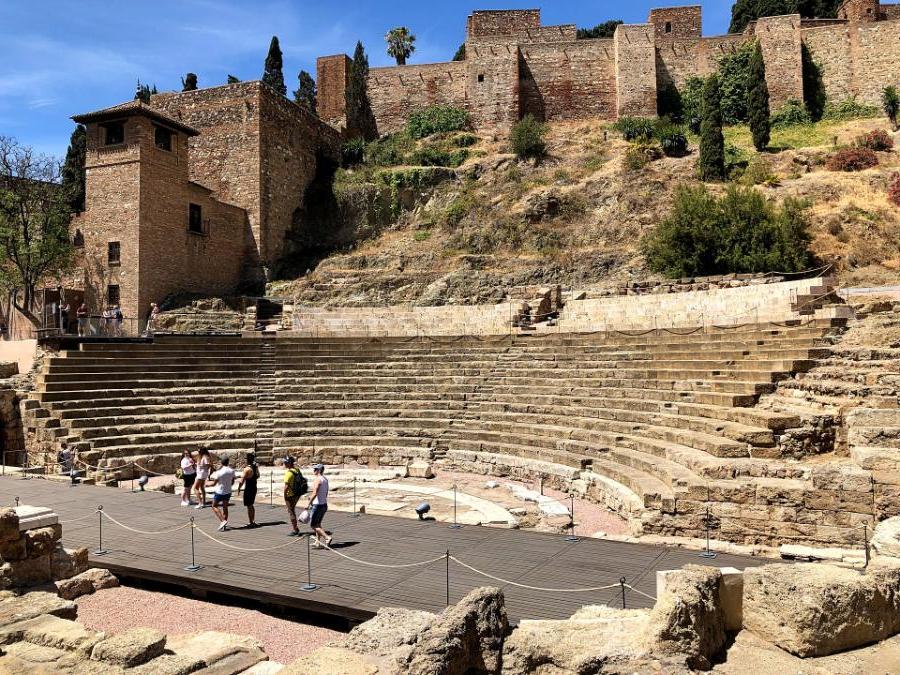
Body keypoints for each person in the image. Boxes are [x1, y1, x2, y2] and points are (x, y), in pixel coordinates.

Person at [306, 464, 332, 548]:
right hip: (324, 504)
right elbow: (325, 492)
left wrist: (309, 503)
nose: (314, 471)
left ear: (319, 470)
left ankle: (327, 537)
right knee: (318, 524)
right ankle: (317, 542)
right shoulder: (325, 479)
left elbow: (315, 492)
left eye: (315, 469)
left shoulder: (318, 479)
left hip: (318, 505)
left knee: (313, 525)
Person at [207, 457, 235, 531]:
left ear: (221, 463)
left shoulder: (219, 472)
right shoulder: (232, 471)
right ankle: (224, 526)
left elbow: (214, 483)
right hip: (228, 491)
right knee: (225, 507)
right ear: (228, 462)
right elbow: (232, 482)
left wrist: (207, 484)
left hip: (220, 491)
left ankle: (223, 521)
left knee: (214, 506)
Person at [282, 456, 306, 536]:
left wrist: (284, 496)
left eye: (285, 462)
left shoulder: (288, 473)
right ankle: (295, 526)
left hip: (290, 495)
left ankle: (295, 529)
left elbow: (286, 487)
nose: (284, 464)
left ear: (288, 463)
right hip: (297, 493)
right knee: (292, 510)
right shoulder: (297, 470)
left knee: (291, 512)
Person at [236, 452, 260, 527]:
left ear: (247, 460)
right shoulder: (255, 467)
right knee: (251, 505)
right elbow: (258, 476)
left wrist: (239, 488)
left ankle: (251, 522)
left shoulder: (247, 469)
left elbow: (241, 481)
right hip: (254, 487)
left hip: (248, 489)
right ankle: (253, 520)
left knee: (249, 506)